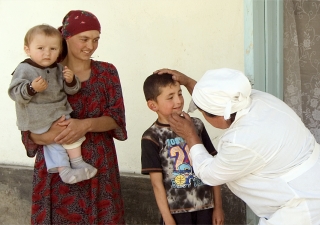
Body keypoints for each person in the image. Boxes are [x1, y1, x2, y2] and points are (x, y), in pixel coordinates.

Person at [155, 68, 320, 225]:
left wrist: (190, 136)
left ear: (220, 117)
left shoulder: (241, 140)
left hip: (301, 207)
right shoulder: (255, 99)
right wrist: (188, 81)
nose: (177, 101)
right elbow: (219, 97)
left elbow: (209, 173)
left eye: (203, 112)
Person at [18, 10, 127, 224]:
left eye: (96, 40)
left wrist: (84, 125)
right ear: (66, 37)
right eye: (84, 39)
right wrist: (45, 137)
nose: (91, 46)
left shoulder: (107, 72)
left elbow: (117, 118)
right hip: (57, 170)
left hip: (99, 168)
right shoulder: (43, 73)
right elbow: (29, 125)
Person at [8, 24, 97, 185]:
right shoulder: (24, 69)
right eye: (40, 48)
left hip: (59, 112)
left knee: (70, 133)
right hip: (37, 117)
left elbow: (71, 91)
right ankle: (64, 170)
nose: (47, 53)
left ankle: (77, 162)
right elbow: (14, 93)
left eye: (53, 49)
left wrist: (70, 81)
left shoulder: (58, 68)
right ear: (27, 49)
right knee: (55, 142)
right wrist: (31, 88)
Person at [141, 73, 224, 225]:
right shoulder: (152, 137)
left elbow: (213, 166)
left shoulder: (196, 125)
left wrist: (218, 207)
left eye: (180, 93)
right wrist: (167, 218)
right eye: (170, 97)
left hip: (205, 207)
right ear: (153, 105)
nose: (178, 101)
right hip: (176, 212)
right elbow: (156, 184)